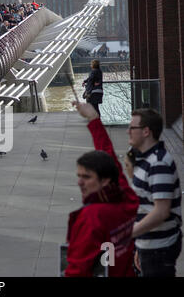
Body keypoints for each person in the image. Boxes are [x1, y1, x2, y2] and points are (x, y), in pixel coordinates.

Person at [65, 102, 139, 277]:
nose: (80, 183)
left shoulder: (91, 218)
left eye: (87, 177)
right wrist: (93, 119)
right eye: (79, 176)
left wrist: (94, 119)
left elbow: (78, 269)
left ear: (105, 181)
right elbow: (110, 157)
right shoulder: (128, 198)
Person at [128, 109, 182, 277]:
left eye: (132, 128)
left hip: (159, 248)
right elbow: (145, 207)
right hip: (150, 244)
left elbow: (161, 211)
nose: (128, 131)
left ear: (146, 131)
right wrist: (140, 244)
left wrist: (129, 234)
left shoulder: (158, 163)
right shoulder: (146, 160)